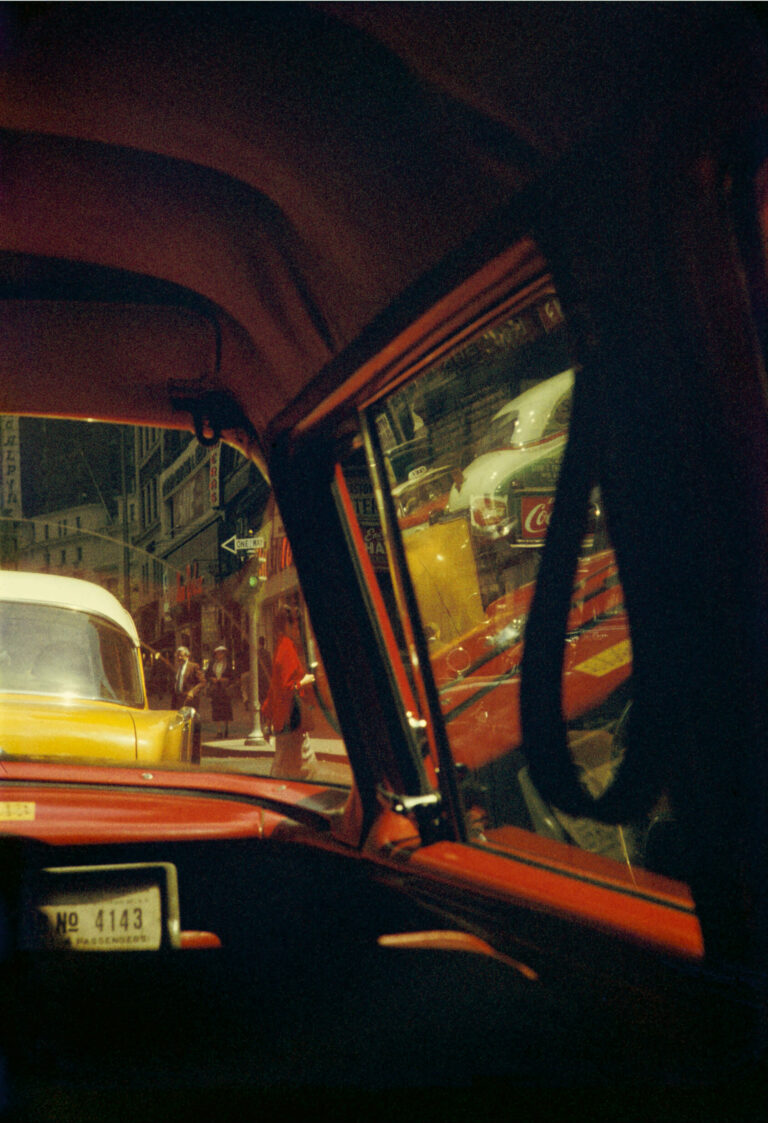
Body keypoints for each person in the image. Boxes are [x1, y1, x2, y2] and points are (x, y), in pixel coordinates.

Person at [261, 606, 317, 780]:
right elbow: (285, 688)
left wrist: (268, 715)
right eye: (296, 625)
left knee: (288, 767)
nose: (298, 629)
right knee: (304, 770)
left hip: (285, 720)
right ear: (286, 625)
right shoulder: (287, 649)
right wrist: (305, 681)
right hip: (291, 720)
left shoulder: (282, 647)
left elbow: (274, 689)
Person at [207, 643, 233, 737]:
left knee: (226, 709)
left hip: (224, 689)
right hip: (215, 690)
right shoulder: (212, 664)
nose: (219, 655)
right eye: (218, 654)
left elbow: (232, 676)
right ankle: (219, 731)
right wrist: (212, 679)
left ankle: (226, 728)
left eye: (221, 653)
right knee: (216, 709)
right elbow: (208, 675)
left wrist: (225, 680)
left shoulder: (228, 665)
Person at [170, 645, 205, 711]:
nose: (179, 658)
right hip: (177, 699)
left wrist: (193, 692)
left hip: (189, 699)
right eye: (178, 656)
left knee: (188, 720)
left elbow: (202, 682)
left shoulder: (193, 666)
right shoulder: (177, 667)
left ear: (187, 656)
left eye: (181, 656)